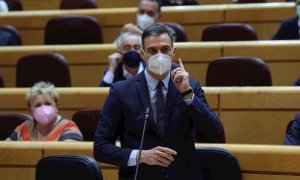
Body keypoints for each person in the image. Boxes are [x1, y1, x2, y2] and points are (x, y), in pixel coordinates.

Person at [94, 24, 222, 180]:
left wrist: (188, 95)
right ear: (143, 54)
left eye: (165, 49)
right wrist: (140, 156)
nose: (159, 55)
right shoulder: (121, 91)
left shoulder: (190, 86)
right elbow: (101, 148)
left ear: (173, 52)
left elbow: (215, 133)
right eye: (152, 50)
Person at [6, 81, 83, 141]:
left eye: (48, 104)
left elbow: (67, 157)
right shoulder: (22, 128)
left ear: (56, 107)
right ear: (29, 110)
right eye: (38, 105)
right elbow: (5, 152)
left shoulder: (68, 127)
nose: (43, 109)